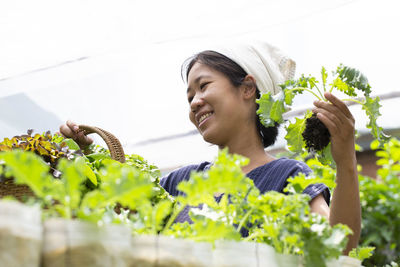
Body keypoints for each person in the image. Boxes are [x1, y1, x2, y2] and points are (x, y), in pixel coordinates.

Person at [60, 40, 361, 254]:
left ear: (247, 88)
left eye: (203, 87)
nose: (194, 102)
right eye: (189, 96)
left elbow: (338, 245)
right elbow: (125, 207)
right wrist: (91, 156)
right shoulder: (178, 182)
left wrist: (346, 162)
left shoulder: (287, 175)